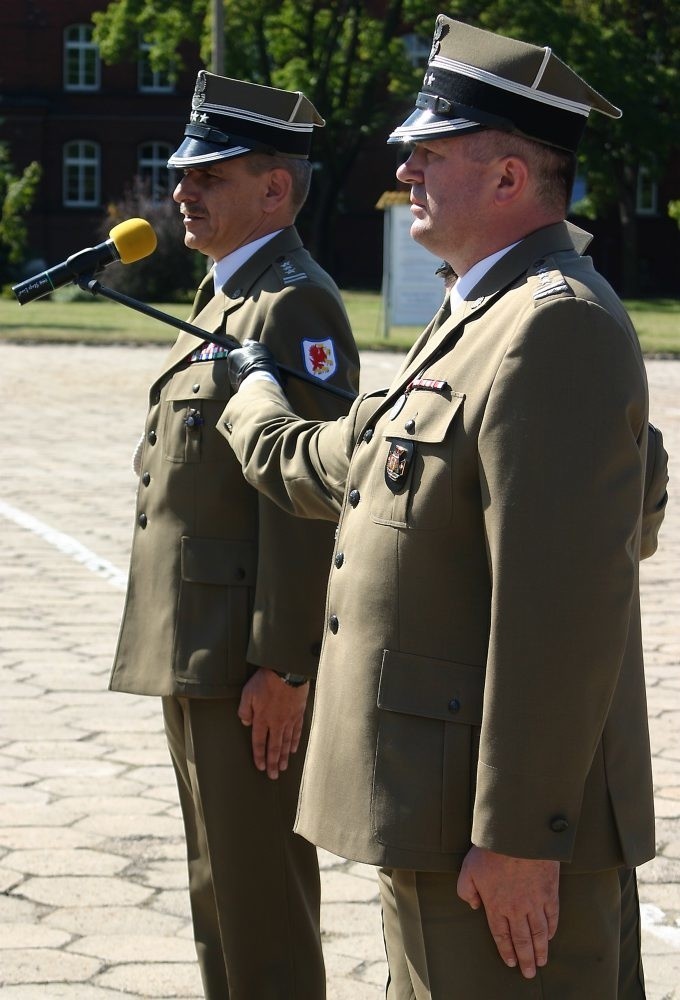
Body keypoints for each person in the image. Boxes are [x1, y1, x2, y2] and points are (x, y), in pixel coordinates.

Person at [217, 17, 669, 999]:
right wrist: (254, 395)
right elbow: (350, 466)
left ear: (508, 180)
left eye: (429, 152)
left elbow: (561, 607)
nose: (403, 168)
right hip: (432, 803)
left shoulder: (553, 327)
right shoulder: (478, 312)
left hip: (487, 829)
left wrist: (517, 835)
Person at [109, 70, 359, 999]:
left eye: (210, 175)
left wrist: (286, 665)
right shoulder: (226, 299)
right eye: (184, 173)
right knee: (221, 890)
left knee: (260, 907)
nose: (183, 191)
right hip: (198, 647)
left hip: (249, 665)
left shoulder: (292, 304)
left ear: (276, 189)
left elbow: (308, 493)